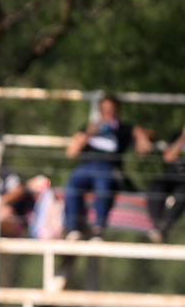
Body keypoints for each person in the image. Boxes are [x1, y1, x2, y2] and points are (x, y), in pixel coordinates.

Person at [63, 95, 152, 241]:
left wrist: (141, 134)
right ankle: (73, 229)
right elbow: (71, 152)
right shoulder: (89, 128)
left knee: (103, 185)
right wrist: (86, 134)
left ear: (117, 110)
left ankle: (98, 230)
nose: (108, 112)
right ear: (100, 110)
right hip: (86, 167)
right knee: (72, 184)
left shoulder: (123, 129)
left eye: (111, 109)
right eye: (105, 109)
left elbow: (152, 134)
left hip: (108, 168)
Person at [146, 122, 185, 243]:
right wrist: (183, 136)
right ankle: (158, 225)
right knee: (156, 186)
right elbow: (168, 157)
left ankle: (164, 226)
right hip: (171, 178)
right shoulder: (176, 136)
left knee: (182, 192)